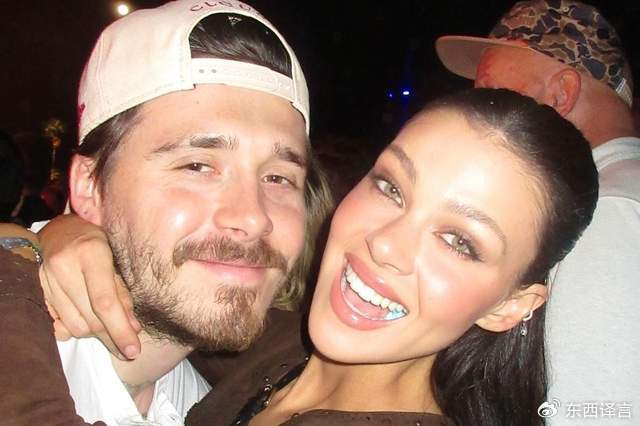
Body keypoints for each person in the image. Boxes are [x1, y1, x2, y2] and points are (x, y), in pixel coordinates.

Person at [1, 88, 600, 425]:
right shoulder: (283, 354)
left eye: (459, 241)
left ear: (510, 304)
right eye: (391, 188)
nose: (385, 244)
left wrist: (16, 255)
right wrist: (69, 230)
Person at [0, 0, 333, 424]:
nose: (253, 218)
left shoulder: (220, 402)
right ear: (89, 186)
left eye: (278, 178)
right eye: (197, 166)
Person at [435, 0, 640, 419]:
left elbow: (599, 415)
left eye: (492, 92)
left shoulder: (606, 214)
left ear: (561, 93)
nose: (477, 107)